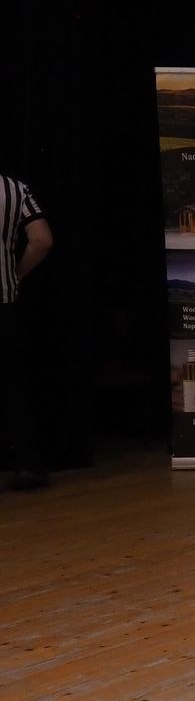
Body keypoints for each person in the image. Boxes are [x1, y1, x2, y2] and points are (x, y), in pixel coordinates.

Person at [1, 171, 55, 490]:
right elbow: (42, 239)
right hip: (4, 300)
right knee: (12, 384)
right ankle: (27, 463)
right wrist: (16, 274)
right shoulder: (15, 189)